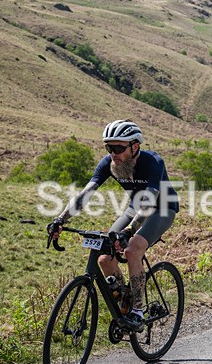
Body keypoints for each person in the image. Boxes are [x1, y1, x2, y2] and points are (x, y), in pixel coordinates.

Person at [48, 120, 179, 332]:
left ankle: (137, 311)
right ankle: (125, 296)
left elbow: (150, 201)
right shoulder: (109, 164)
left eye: (118, 148)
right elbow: (84, 195)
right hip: (134, 208)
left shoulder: (153, 161)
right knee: (103, 256)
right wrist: (60, 219)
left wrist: (129, 231)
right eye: (109, 148)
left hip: (161, 208)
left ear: (135, 147)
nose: (113, 153)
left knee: (132, 248)